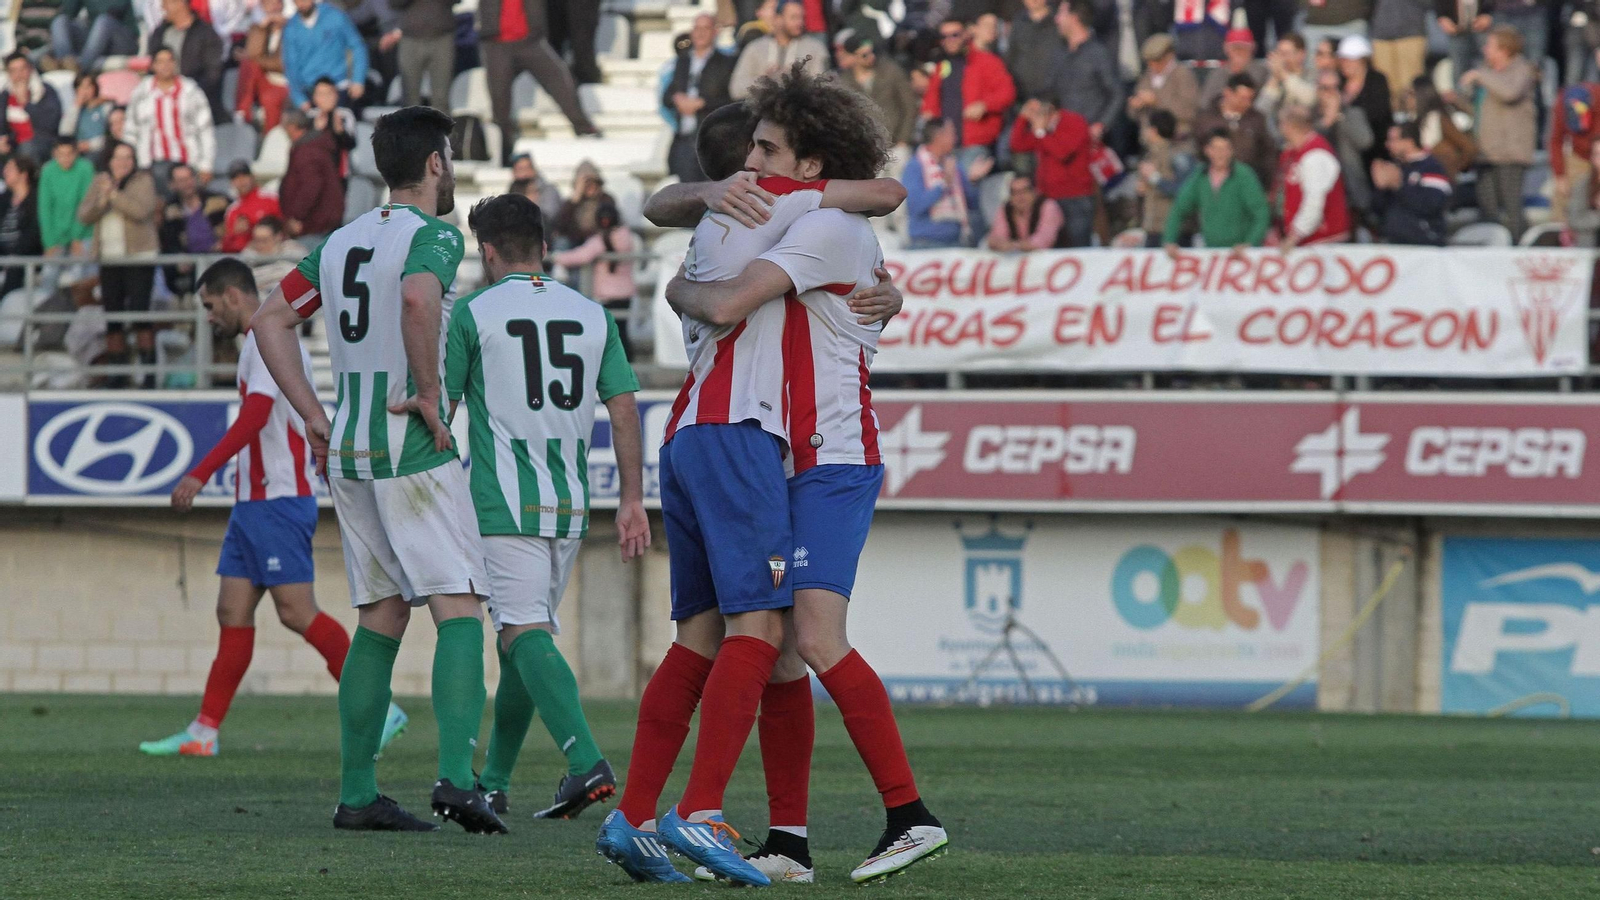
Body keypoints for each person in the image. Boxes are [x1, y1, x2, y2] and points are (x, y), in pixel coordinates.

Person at [598, 98, 909, 886]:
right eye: (759, 150)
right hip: (742, 434)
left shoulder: (714, 221)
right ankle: (700, 813)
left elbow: (660, 207)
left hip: (687, 434)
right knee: (764, 629)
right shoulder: (780, 202)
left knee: (698, 639)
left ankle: (633, 818)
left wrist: (679, 286)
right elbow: (884, 192)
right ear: (749, 163)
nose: (763, 162)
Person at [250, 105, 504, 835]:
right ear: (434, 164)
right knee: (458, 604)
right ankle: (457, 780)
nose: (450, 169)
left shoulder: (340, 241)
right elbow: (420, 297)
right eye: (449, 157)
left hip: (352, 450)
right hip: (410, 447)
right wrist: (429, 392)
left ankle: (357, 794)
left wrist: (311, 412)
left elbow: (271, 319)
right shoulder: (434, 234)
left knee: (383, 615)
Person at [138, 259, 406, 758]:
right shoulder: (256, 344)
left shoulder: (268, 339)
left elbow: (257, 415)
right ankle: (204, 732)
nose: (209, 317)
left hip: (278, 497)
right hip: (254, 502)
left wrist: (201, 472)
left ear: (234, 296)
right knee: (232, 610)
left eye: (210, 306)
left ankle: (381, 706)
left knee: (296, 612)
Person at [444, 193, 643, 821]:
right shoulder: (592, 313)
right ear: (548, 250)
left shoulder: (472, 312)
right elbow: (624, 407)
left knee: (522, 632)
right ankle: (496, 781)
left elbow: (439, 408)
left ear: (489, 252)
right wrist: (633, 499)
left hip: (504, 501)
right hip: (570, 504)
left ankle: (586, 761)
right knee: (520, 645)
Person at [478, 0, 601, 165]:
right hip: (497, 43)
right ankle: (505, 153)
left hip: (530, 40)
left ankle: (584, 128)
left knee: (560, 79)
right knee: (500, 102)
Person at [78, 141, 159, 387]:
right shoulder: (99, 181)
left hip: (138, 257)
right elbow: (84, 215)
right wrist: (102, 200)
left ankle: (148, 373)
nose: (123, 163)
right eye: (118, 157)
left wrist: (113, 194)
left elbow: (140, 211)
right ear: (109, 160)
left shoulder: (143, 181)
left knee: (139, 314)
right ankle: (117, 372)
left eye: (128, 158)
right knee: (112, 315)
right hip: (109, 258)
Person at [1461, 24, 1535, 241]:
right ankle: (1491, 250)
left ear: (1504, 50)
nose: (1485, 50)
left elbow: (1509, 93)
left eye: (1490, 46)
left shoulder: (1522, 70)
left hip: (1510, 153)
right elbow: (1479, 110)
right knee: (1488, 209)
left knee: (1512, 206)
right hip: (1486, 152)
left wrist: (1481, 76)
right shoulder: (1489, 73)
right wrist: (1456, 101)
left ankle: (1519, 247)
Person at [919, 16, 1016, 164]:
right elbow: (932, 96)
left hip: (974, 142)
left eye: (955, 35)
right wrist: (928, 111)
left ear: (966, 34)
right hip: (945, 144)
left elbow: (1007, 93)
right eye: (944, 36)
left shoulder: (987, 61)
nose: (950, 40)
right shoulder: (942, 65)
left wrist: (984, 105)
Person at [1163, 128, 1271, 251]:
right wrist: (1169, 240)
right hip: (1212, 252)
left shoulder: (1243, 175)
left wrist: (1250, 243)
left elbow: (1261, 212)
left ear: (1231, 151)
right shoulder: (1200, 176)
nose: (1221, 154)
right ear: (1207, 151)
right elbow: (1179, 208)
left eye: (1225, 149)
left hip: (1239, 254)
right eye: (1216, 149)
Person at [1010, 94, 1094, 247]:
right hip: (1048, 198)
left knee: (1078, 246)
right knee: (1051, 248)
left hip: (1074, 198)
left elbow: (1063, 152)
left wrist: (1041, 132)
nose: (1033, 116)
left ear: (1049, 110)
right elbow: (1017, 144)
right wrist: (1022, 118)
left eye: (1036, 112)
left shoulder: (1074, 122)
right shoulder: (1041, 131)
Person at [552, 201, 637, 352]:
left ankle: (619, 368)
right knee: (622, 332)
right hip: (625, 294)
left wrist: (557, 257)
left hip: (608, 295)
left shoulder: (602, 240)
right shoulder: (625, 236)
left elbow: (581, 255)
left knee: (612, 336)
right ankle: (629, 366)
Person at [126, 48, 217, 187]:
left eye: (169, 61)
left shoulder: (191, 91)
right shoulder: (141, 93)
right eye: (160, 62)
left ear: (175, 64)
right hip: (152, 164)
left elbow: (205, 129)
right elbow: (131, 129)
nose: (165, 66)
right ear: (153, 66)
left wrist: (206, 165)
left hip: (187, 161)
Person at [665, 14, 736, 183]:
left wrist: (702, 103)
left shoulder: (726, 63)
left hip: (711, 141)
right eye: (697, 28)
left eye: (706, 28)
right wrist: (677, 99)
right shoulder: (682, 62)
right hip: (684, 139)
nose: (700, 33)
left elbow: (733, 99)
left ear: (715, 32)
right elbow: (666, 96)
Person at [903, 117, 987, 248]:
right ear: (939, 136)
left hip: (957, 241)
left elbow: (972, 204)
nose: (956, 138)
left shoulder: (954, 165)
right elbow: (914, 206)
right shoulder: (915, 166)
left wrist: (973, 181)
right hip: (926, 244)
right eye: (952, 133)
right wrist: (943, 184)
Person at [1277, 103, 1351, 249]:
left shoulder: (1316, 156)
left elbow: (1314, 200)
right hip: (1306, 240)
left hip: (1323, 241)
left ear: (1288, 126)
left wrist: (1295, 234)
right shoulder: (1292, 153)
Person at [1049, 0, 1122, 143]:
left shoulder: (1098, 53)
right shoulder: (1059, 54)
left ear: (1074, 18)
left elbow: (1117, 93)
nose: (1056, 19)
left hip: (1091, 139)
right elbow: (1051, 91)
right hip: (1063, 136)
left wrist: (1101, 124)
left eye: (1061, 14)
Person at [1370, 121, 1451, 244]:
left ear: (1409, 142)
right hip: (1395, 242)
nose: (1388, 144)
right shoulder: (1395, 167)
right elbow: (1379, 209)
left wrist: (1398, 185)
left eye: (1393, 140)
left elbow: (1432, 205)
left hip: (1424, 244)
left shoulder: (1431, 167)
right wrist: (1380, 186)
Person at [729, 0, 829, 99]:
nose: (800, 22)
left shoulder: (815, 49)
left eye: (802, 18)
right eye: (794, 17)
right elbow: (736, 89)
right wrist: (766, 81)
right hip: (762, 111)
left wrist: (793, 80)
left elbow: (821, 87)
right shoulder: (755, 48)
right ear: (778, 18)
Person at [147, 0, 228, 122]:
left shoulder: (206, 34)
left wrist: (184, 94)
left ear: (180, 3)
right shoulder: (160, 33)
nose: (162, 7)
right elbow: (152, 69)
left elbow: (212, 76)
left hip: (196, 106)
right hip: (161, 104)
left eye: (166, 3)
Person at [1194, 73, 1276, 192]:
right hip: (1213, 182)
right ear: (1227, 93)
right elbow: (1198, 149)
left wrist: (1267, 185)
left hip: (1249, 182)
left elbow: (1267, 153)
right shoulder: (1207, 119)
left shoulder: (1257, 119)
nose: (1247, 103)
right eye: (1242, 98)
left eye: (1250, 99)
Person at [282, 0, 369, 109]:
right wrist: (299, 98)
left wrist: (358, 80)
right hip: (310, 90)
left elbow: (357, 46)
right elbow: (291, 65)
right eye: (297, 1)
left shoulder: (334, 16)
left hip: (338, 86)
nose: (301, 4)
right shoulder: (291, 28)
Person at [839, 34, 919, 152]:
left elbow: (909, 105)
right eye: (864, 55)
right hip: (863, 148)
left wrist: (903, 140)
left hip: (895, 144)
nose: (871, 57)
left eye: (872, 52)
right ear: (853, 57)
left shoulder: (891, 71)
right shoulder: (844, 81)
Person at [158, 162, 226, 295]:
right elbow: (167, 242)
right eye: (181, 180)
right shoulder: (170, 210)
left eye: (189, 178)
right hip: (189, 268)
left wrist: (224, 242)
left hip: (218, 261)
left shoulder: (218, 200)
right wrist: (178, 256)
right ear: (172, 185)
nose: (187, 183)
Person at [1313, 69, 1375, 213]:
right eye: (1325, 88)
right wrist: (1327, 121)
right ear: (1317, 90)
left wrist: (1340, 116)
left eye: (1335, 88)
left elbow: (1365, 141)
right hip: (1320, 191)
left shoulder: (1353, 114)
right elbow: (1309, 143)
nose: (1330, 93)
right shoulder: (1309, 116)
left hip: (1350, 190)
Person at [278, 108, 344, 244]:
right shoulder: (314, 147)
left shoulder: (307, 152)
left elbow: (311, 187)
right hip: (317, 224)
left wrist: (296, 216)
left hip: (314, 226)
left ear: (292, 127)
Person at [1128, 33, 1201, 142]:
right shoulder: (1146, 77)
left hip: (1177, 140)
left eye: (1157, 60)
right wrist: (1135, 106)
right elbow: (1133, 115)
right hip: (1149, 140)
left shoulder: (1183, 75)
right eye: (1149, 62)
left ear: (1169, 55)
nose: (1153, 66)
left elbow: (1189, 111)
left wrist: (1157, 101)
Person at [1551, 74, 1600, 235]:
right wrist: (1560, 175)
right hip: (1578, 155)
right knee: (1562, 194)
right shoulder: (1562, 102)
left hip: (1598, 148)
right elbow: (1556, 140)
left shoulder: (1598, 98)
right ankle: (1560, 237)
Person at [1137, 109, 1195, 245]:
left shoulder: (1179, 156)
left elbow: (1185, 192)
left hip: (1174, 229)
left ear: (1153, 130)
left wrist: (1155, 178)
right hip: (1153, 226)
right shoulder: (1151, 154)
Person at [1335, 35, 1391, 171]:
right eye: (1342, 60)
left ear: (1362, 60)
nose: (1344, 64)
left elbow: (1379, 114)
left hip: (1374, 147)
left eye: (1349, 60)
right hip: (1344, 144)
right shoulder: (1338, 82)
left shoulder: (1377, 81)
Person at [1408, 75, 1475, 179]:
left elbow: (1468, 147)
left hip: (1444, 179)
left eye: (1411, 94)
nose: (1408, 99)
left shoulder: (1439, 119)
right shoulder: (1415, 120)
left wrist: (1456, 169)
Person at [390, 0, 454, 111]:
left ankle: (441, 127)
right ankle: (411, 128)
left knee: (441, 99)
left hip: (442, 36)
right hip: (410, 38)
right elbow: (394, 3)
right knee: (409, 98)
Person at [237, 0, 291, 131]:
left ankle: (269, 137)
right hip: (262, 79)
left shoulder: (292, 28)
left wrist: (259, 60)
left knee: (269, 98)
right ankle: (243, 112)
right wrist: (261, 28)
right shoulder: (259, 28)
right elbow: (253, 53)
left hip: (282, 80)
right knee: (248, 65)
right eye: (267, 4)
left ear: (281, 5)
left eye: (275, 3)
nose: (272, 8)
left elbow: (283, 64)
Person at [0, 53, 62, 164]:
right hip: (13, 144)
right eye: (14, 71)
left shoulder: (45, 91)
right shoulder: (5, 95)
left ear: (30, 69)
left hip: (42, 143)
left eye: (22, 69)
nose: (19, 75)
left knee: (27, 148)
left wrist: (26, 104)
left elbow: (50, 125)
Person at [40, 138, 95, 262]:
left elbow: (86, 204)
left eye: (69, 154)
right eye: (61, 154)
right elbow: (45, 208)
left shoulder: (86, 169)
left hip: (83, 233)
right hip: (56, 234)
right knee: (49, 276)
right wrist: (49, 242)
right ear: (54, 154)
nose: (65, 158)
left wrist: (77, 237)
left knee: (80, 276)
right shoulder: (47, 171)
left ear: (76, 153)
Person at [50, 0, 139, 73]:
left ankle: (81, 67)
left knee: (103, 20)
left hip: (123, 42)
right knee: (60, 21)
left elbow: (133, 31)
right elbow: (68, 13)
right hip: (96, 41)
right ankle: (64, 63)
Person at [1369, 0, 1428, 106]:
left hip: (1411, 33)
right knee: (1385, 86)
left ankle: (1414, 118)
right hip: (1380, 33)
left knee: (1410, 85)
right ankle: (1391, 119)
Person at [0, 156, 42, 298]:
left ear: (23, 175)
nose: (4, 172)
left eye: (10, 169)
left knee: (15, 269)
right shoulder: (4, 199)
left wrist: (13, 256)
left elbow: (33, 236)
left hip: (24, 255)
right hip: (3, 254)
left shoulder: (36, 200)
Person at [1200, 25, 1271, 108]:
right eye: (1235, 48)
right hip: (1221, 117)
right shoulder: (1218, 74)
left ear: (1252, 49)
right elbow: (1205, 103)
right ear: (1226, 49)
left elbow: (1265, 102)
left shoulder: (1261, 72)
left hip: (1253, 117)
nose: (1239, 53)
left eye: (1243, 48)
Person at [987, 174, 1064, 250]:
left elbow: (1045, 239)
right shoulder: (1005, 209)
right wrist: (998, 243)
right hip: (1020, 260)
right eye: (1015, 193)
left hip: (1054, 258)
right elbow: (997, 236)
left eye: (1025, 191)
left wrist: (1015, 245)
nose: (1020, 197)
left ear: (1035, 192)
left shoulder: (1048, 206)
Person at [1008, 0, 1064, 101]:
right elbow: (1011, 57)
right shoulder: (1018, 22)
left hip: (1053, 97)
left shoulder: (1059, 21)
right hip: (1022, 96)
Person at [222, 161, 282, 253]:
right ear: (232, 183)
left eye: (244, 176)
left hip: (275, 254)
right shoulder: (232, 210)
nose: (241, 181)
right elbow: (229, 247)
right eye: (236, 178)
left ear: (252, 177)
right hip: (249, 259)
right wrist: (236, 233)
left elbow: (285, 228)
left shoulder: (271, 198)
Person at [552, 161, 616, 248]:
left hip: (598, 241)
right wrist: (575, 199)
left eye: (593, 182)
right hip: (575, 240)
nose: (590, 186)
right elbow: (560, 226)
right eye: (586, 183)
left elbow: (610, 223)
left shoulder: (606, 199)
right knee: (562, 243)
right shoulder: (571, 202)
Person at [242, 215, 306, 295]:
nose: (259, 245)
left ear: (278, 237)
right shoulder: (249, 256)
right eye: (256, 240)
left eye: (264, 240)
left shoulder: (293, 250)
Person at [1258, 33, 1315, 123]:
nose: (1282, 58)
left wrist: (1283, 74)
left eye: (1286, 53)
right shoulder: (1269, 76)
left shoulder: (1312, 75)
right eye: (1279, 53)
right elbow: (1261, 110)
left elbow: (1310, 99)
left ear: (1301, 54)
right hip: (1277, 130)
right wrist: (1274, 79)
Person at [1435, 0, 1491, 89]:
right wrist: (1442, 17)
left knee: (1486, 65)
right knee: (1459, 70)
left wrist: (1488, 14)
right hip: (1457, 31)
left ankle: (1483, 97)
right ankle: (1461, 99)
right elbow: (1439, 6)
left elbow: (1491, 4)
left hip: (1481, 30)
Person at [310, 77, 358, 179]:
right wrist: (317, 131)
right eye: (321, 94)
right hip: (314, 171)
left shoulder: (345, 115)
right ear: (315, 98)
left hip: (339, 172)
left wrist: (340, 131)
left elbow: (351, 144)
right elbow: (304, 145)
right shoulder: (310, 116)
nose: (326, 98)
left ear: (336, 95)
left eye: (329, 94)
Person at [509, 153, 564, 220]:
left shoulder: (548, 191)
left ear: (533, 170)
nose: (521, 173)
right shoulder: (512, 192)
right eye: (517, 170)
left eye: (524, 168)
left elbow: (549, 216)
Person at [71, 72, 113, 157]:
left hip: (99, 151)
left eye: (88, 87)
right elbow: (65, 131)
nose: (84, 91)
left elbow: (110, 136)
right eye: (81, 87)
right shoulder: (75, 110)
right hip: (78, 152)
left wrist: (90, 145)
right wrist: (76, 107)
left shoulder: (105, 107)